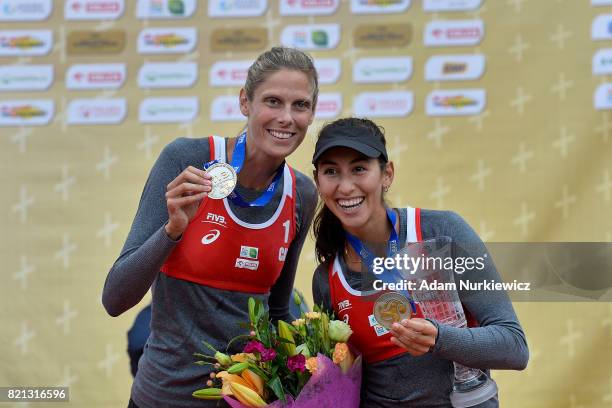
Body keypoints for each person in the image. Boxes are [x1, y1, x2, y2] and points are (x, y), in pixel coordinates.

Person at [102, 47, 319, 408]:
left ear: (311, 113)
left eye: (300, 105)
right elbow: (114, 299)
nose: (286, 118)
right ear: (245, 102)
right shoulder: (189, 160)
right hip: (164, 398)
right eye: (273, 101)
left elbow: (278, 311)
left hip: (248, 400)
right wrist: (172, 231)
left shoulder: (302, 193)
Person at [311, 118, 529, 407]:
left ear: (386, 174)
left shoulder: (442, 231)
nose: (346, 186)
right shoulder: (327, 279)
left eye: (359, 168)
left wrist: (439, 339)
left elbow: (514, 347)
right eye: (331, 172)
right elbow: (348, 381)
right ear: (318, 182)